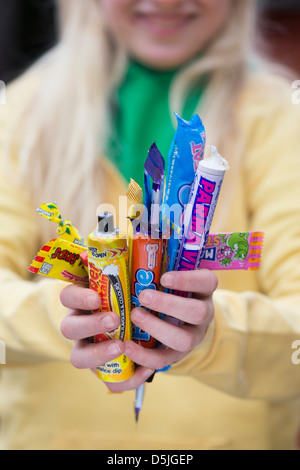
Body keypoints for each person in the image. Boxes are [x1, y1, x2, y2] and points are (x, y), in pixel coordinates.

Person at [0, 0, 300, 451]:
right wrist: (74, 315)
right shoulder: (22, 111)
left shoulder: (281, 118)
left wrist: (211, 336)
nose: (165, 2)